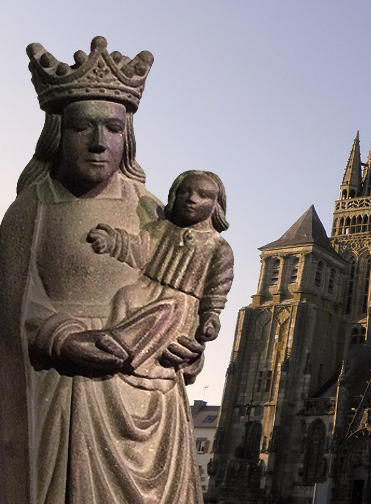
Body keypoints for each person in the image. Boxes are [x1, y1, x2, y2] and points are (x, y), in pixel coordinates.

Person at [0, 37, 218, 504]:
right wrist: (60, 338)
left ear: (127, 136)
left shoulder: (156, 213)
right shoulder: (32, 209)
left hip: (152, 402)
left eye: (113, 129)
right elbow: (9, 304)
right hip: (68, 395)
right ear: (59, 133)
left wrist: (190, 351)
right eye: (83, 128)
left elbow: (182, 293)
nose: (100, 143)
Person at [87, 170, 233, 376]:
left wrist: (210, 317)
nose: (192, 199)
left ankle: (126, 349)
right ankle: (114, 343)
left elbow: (217, 289)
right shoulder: (160, 229)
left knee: (166, 311)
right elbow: (137, 248)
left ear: (216, 205)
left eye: (203, 195)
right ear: (174, 196)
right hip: (147, 288)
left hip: (180, 306)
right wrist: (113, 241)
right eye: (185, 192)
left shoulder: (219, 248)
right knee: (126, 296)